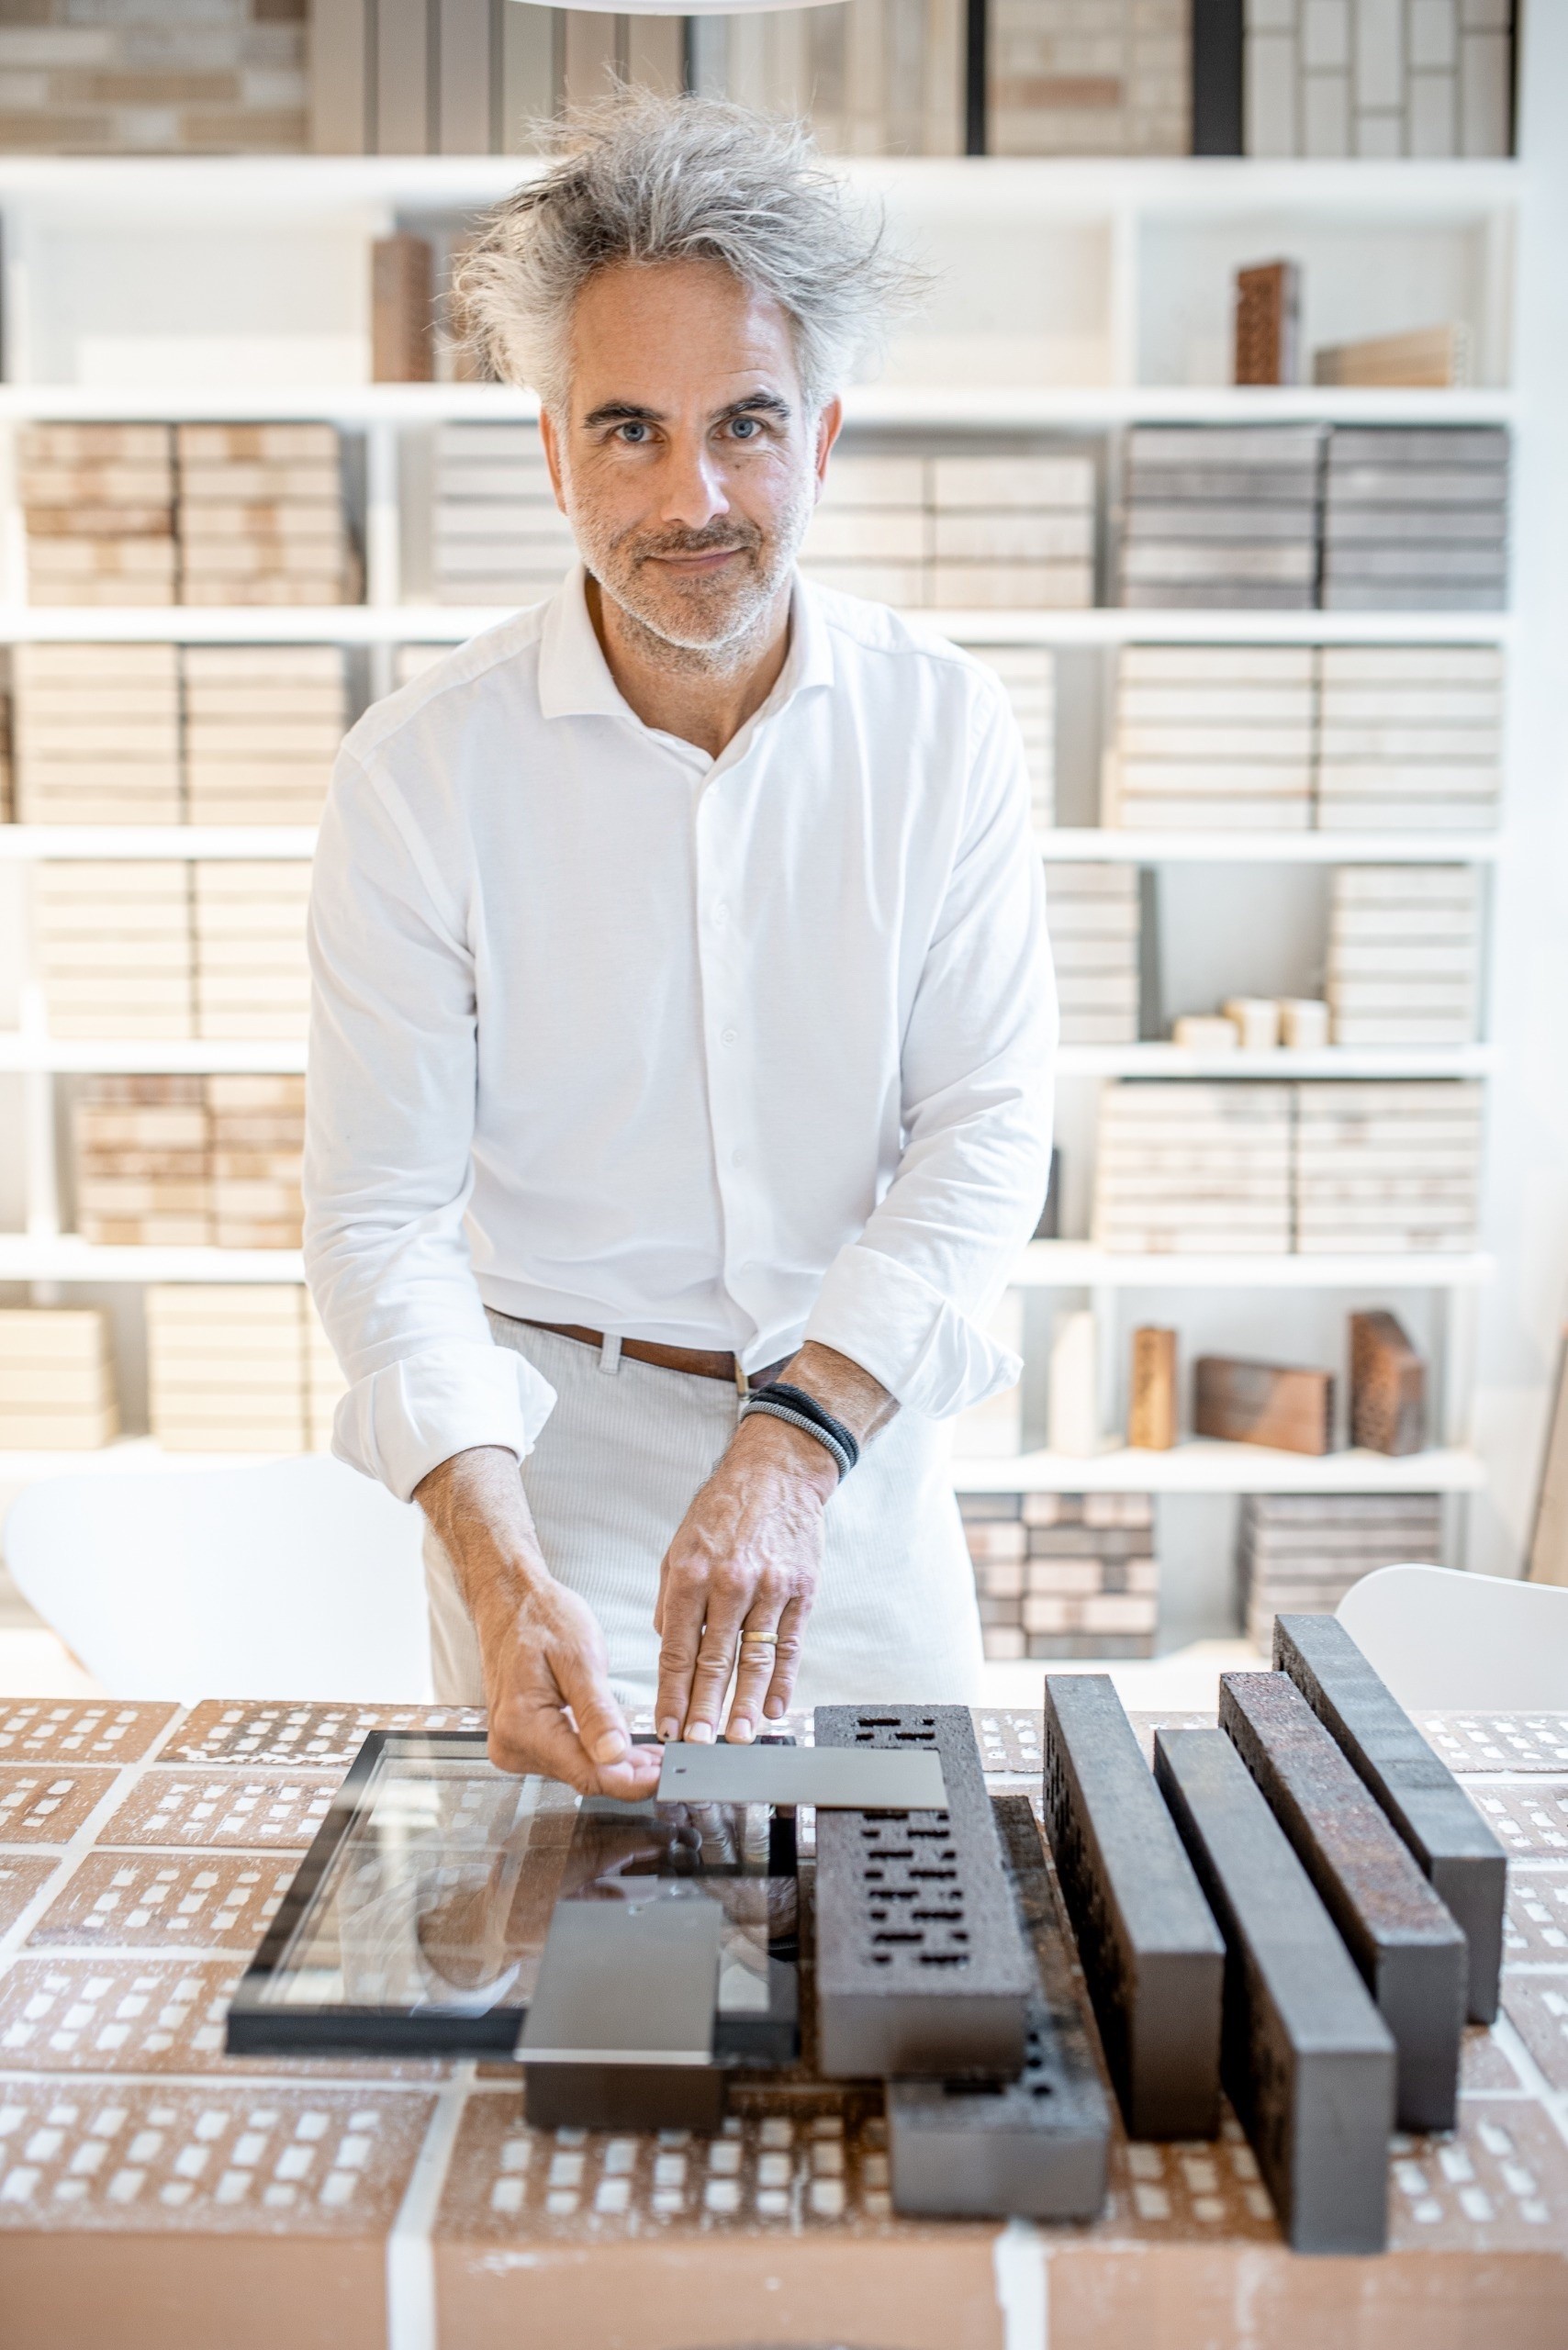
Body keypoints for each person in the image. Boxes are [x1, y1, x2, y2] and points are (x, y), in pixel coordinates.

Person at [303, 92, 1057, 1802]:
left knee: (903, 1952)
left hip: (856, 1449)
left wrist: (795, 1447)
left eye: (746, 424)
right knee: (557, 1979)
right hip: (547, 1473)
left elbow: (987, 1127)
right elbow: (378, 1214)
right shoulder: (421, 771)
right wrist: (493, 1572)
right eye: (630, 429)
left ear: (826, 436)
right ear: (555, 450)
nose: (692, 494)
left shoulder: (947, 730)